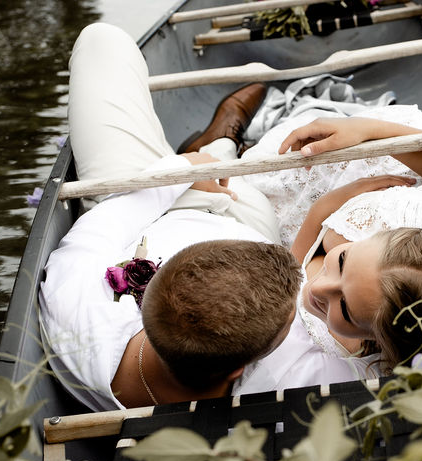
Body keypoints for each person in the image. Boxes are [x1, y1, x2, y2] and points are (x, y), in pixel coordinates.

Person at [39, 23, 302, 412]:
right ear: (239, 371)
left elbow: (100, 227)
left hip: (134, 206)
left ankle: (210, 148)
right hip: (242, 211)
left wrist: (181, 170)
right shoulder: (282, 375)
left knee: (101, 41)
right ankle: (222, 145)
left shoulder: (77, 316)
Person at [233, 114, 422, 395]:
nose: (317, 287)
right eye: (342, 260)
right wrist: (368, 131)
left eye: (346, 310)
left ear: (382, 341)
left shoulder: (368, 358)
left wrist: (319, 212)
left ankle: (225, 139)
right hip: (366, 179)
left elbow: (293, 274)